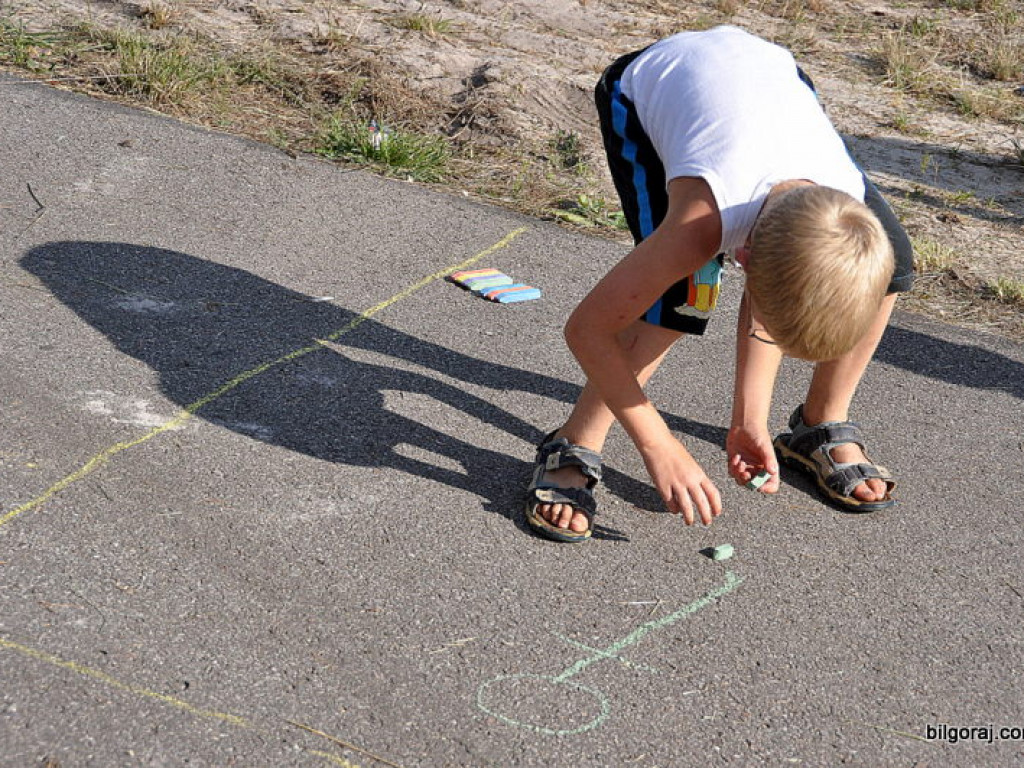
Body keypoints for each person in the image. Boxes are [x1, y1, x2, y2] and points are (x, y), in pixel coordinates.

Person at [525, 25, 914, 543]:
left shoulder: (845, 203)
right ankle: (575, 439)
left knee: (894, 266)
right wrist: (659, 445)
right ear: (743, 259)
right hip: (648, 88)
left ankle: (817, 424)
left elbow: (785, 272)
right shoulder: (700, 225)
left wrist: (748, 419)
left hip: (771, 74)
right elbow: (586, 330)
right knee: (677, 302)